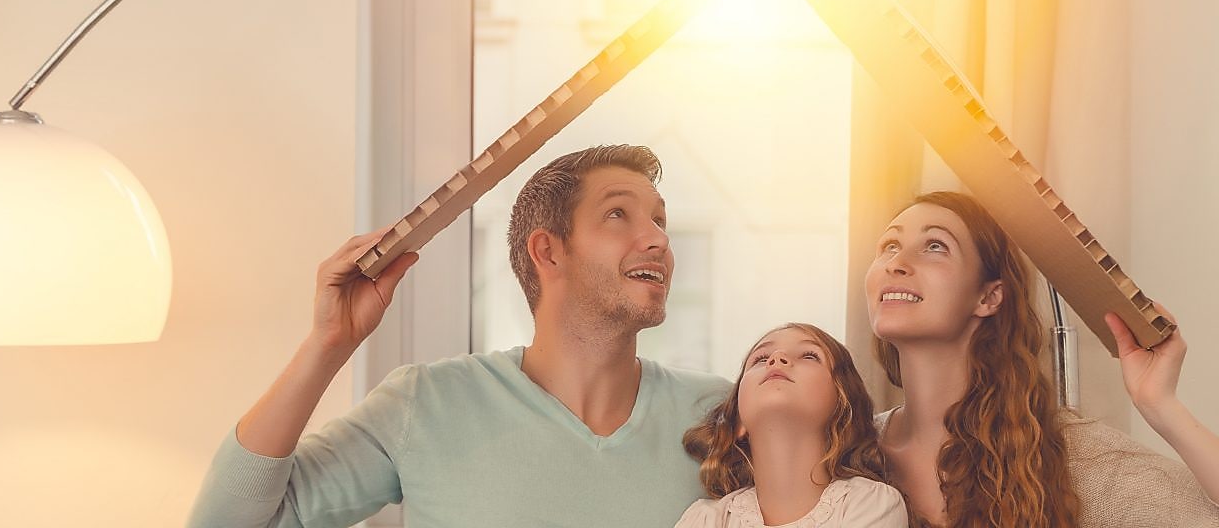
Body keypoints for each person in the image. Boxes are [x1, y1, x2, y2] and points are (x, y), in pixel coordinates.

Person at [187, 145, 731, 527]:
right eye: (619, 214)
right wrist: (328, 343)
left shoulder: (719, 411)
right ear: (548, 251)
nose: (657, 239)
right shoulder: (426, 404)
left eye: (660, 220)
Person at [866, 190, 1219, 527]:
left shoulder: (1061, 452)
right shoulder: (852, 449)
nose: (896, 263)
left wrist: (1161, 404)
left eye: (934, 246)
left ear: (989, 297)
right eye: (889, 246)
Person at [675, 323, 907, 527]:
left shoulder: (871, 503)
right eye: (761, 359)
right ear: (738, 422)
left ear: (844, 409)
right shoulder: (705, 519)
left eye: (809, 355)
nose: (777, 358)